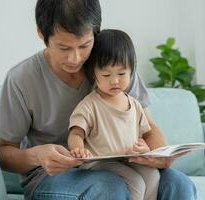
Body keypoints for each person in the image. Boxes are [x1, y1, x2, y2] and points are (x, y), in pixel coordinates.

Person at [0, 0, 197, 199]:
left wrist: (161, 157)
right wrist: (37, 156)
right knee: (109, 187)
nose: (76, 58)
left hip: (122, 165)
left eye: (85, 45)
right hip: (52, 177)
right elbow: (4, 153)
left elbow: (148, 127)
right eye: (64, 48)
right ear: (41, 33)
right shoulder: (21, 79)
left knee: (178, 185)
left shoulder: (114, 68)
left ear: (96, 33)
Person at [68, 29, 160, 200]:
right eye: (106, 74)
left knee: (152, 175)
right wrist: (77, 148)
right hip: (99, 163)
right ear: (94, 74)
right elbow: (76, 132)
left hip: (126, 161)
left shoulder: (134, 104)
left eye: (121, 73)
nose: (115, 80)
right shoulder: (90, 105)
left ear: (132, 71)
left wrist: (144, 149)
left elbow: (145, 135)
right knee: (136, 182)